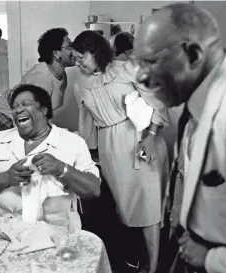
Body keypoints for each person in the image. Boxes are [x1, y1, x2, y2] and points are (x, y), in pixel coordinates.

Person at [133, 3, 226, 273]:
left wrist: (210, 258)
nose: (141, 76)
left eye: (150, 62)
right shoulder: (197, 98)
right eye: (138, 63)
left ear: (193, 54)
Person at [71, 30, 170, 273]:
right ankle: (136, 257)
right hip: (110, 146)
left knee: (148, 204)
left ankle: (155, 265)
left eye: (80, 57)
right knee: (126, 207)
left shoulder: (127, 69)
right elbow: (86, 120)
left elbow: (158, 100)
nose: (77, 63)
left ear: (95, 51)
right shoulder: (79, 83)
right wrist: (89, 152)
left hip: (141, 139)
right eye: (74, 58)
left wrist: (151, 136)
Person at [0, 84, 101, 229]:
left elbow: (93, 190)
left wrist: (62, 169)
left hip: (56, 231)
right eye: (14, 107)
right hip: (6, 227)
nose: (18, 110)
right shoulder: (0, 138)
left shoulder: (72, 141)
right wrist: (7, 178)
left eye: (26, 104)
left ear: (44, 110)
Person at [0, 28, 75, 140]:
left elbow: (44, 112)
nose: (74, 51)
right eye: (70, 46)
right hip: (0, 114)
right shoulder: (41, 78)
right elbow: (28, 116)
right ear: (56, 53)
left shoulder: (61, 75)